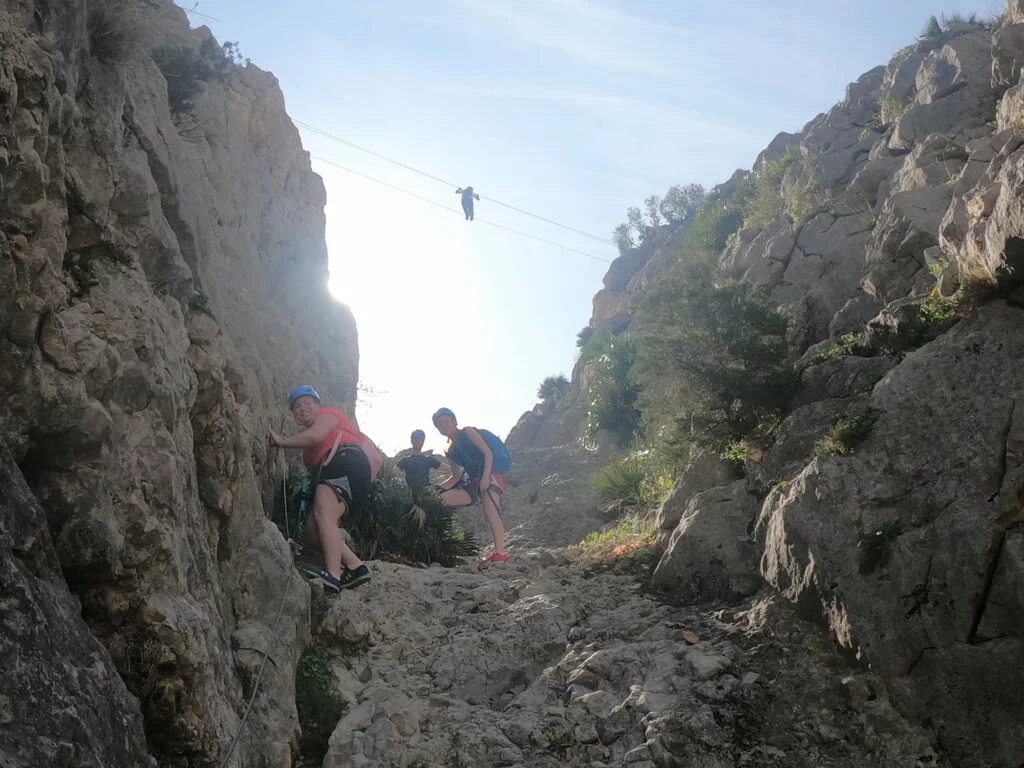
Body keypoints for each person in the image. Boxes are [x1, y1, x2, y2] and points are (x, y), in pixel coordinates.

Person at [269, 385, 372, 591]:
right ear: (295, 418)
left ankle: (333, 574)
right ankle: (355, 566)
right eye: (297, 406)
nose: (302, 408)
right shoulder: (308, 454)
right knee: (313, 531)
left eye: (308, 403)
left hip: (345, 461)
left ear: (318, 406)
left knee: (322, 514)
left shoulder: (329, 415)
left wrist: (281, 441)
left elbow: (314, 436)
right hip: (346, 473)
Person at [432, 407, 510, 565]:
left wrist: (486, 478)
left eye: (447, 421)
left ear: (454, 421)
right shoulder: (449, 451)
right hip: (473, 481)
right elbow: (455, 477)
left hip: (491, 474)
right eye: (440, 424)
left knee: (490, 512)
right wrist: (435, 489)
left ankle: (500, 554)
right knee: (441, 499)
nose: (444, 425)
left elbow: (487, 453)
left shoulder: (468, 432)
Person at [396, 429, 443, 495]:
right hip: (409, 495)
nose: (418, 440)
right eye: (415, 438)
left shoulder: (428, 460)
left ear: (423, 441)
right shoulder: (405, 460)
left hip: (426, 495)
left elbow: (447, 468)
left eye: (420, 439)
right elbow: (393, 473)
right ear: (411, 441)